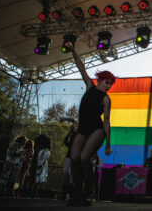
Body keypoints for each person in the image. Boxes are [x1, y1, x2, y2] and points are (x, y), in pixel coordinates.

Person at [65, 41, 114, 207]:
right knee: (74, 158)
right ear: (100, 80)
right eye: (107, 82)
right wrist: (73, 50)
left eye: (111, 84)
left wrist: (108, 144)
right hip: (84, 128)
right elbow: (81, 67)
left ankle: (88, 192)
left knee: (85, 157)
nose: (109, 86)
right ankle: (78, 192)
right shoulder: (89, 86)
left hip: (97, 129)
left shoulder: (106, 99)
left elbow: (107, 121)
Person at [62, 121, 77, 200]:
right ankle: (64, 193)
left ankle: (71, 194)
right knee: (65, 173)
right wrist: (69, 133)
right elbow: (66, 142)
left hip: (74, 157)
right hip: (68, 156)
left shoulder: (79, 135)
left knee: (71, 174)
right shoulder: (72, 135)